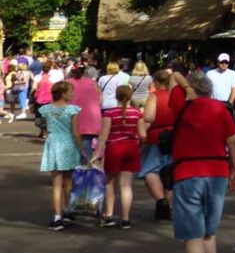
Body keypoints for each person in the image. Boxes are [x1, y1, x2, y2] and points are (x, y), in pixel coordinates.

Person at [170, 73, 235, 253]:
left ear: (190, 88)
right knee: (209, 232)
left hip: (187, 172)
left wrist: (185, 85)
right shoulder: (220, 109)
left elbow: (175, 76)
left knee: (193, 235)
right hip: (217, 171)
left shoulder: (181, 104)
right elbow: (232, 141)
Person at [91, 85, 145, 228]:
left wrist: (96, 154)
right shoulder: (137, 113)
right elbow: (143, 134)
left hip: (114, 147)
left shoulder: (110, 113)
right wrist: (140, 145)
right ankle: (125, 218)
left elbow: (103, 135)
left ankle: (109, 214)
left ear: (116, 96)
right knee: (126, 185)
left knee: (110, 182)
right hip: (131, 147)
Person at [39, 81, 86, 230]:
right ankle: (68, 209)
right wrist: (82, 150)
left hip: (53, 142)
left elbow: (45, 126)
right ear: (63, 93)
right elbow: (76, 132)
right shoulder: (72, 110)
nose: (72, 94)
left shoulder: (46, 109)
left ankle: (57, 216)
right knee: (68, 180)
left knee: (56, 184)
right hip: (68, 143)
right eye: (70, 92)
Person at [140, 69, 179, 220]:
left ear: (156, 82)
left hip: (156, 136)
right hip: (175, 136)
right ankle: (171, 206)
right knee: (170, 172)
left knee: (151, 170)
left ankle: (161, 201)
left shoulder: (154, 96)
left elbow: (149, 117)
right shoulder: (175, 96)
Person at [67, 62, 102, 157]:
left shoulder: (67, 83)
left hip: (73, 118)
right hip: (90, 119)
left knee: (74, 147)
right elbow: (101, 100)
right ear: (84, 71)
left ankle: (79, 168)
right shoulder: (92, 83)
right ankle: (87, 168)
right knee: (87, 145)